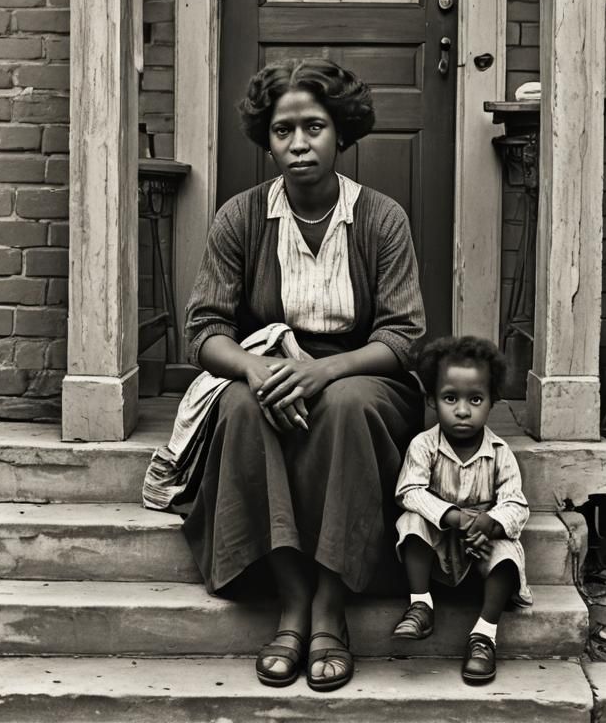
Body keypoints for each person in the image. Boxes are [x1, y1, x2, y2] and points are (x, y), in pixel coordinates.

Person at [182, 58, 426, 692]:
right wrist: (258, 370)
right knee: (239, 406)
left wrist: (324, 372)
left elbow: (403, 336)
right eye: (283, 130)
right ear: (266, 138)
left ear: (340, 132)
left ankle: (328, 604)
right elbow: (205, 330)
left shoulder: (381, 218)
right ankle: (290, 599)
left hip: (363, 371)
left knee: (345, 406)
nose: (298, 144)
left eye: (313, 127)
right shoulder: (240, 218)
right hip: (267, 363)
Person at [391, 336, 532, 684]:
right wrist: (454, 517)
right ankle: (421, 604)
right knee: (411, 522)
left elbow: (516, 504)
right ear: (431, 400)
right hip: (438, 548)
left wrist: (490, 524)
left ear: (493, 403)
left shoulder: (500, 453)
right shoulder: (423, 446)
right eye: (450, 398)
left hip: (479, 550)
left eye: (476, 399)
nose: (463, 410)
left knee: (508, 553)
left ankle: (484, 635)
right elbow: (408, 490)